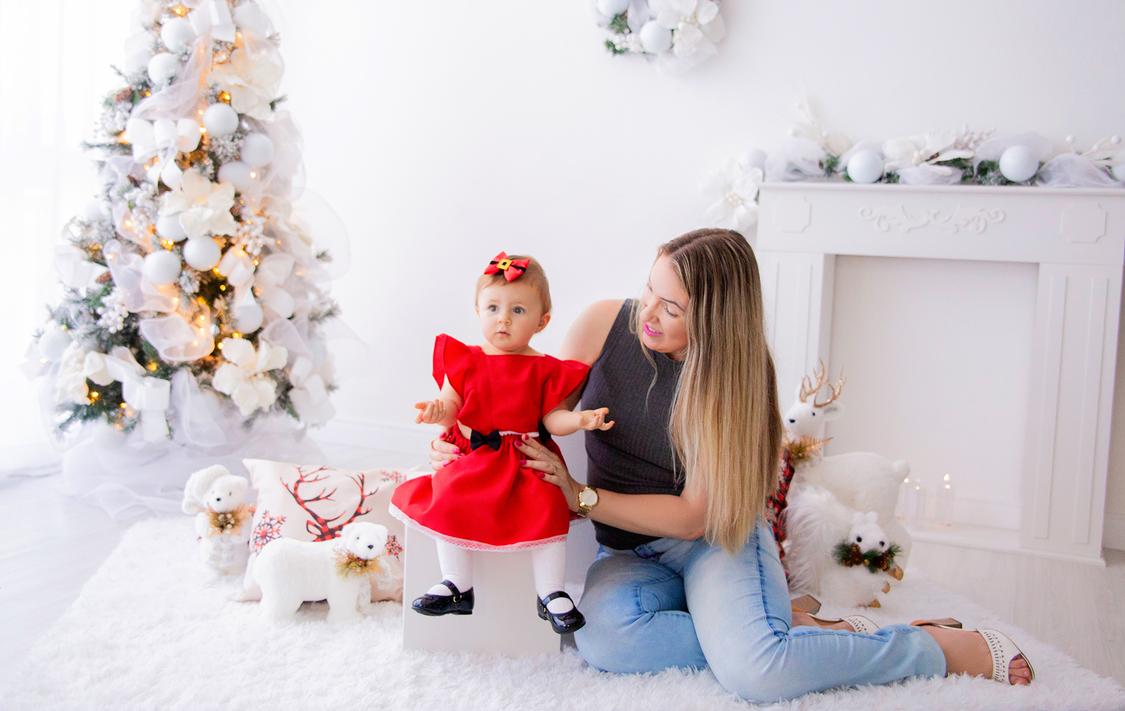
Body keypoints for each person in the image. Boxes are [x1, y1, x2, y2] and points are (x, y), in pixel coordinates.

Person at [429, 229, 1034, 702]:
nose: (650, 314)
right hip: (629, 550)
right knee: (598, 637)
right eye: (650, 291)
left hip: (714, 543)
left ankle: (935, 649)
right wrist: (460, 442)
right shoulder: (600, 325)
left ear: (717, 317)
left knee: (759, 672)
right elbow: (525, 414)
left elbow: (695, 519)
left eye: (674, 307)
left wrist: (580, 497)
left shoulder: (736, 382)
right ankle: (793, 630)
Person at [390, 252, 614, 635]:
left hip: (526, 459)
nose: (503, 319)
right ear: (477, 311)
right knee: (449, 495)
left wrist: (580, 420)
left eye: (518, 310)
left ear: (542, 321)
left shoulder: (545, 368)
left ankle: (551, 593)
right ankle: (456, 583)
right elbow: (452, 407)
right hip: (475, 455)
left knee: (547, 506)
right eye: (492, 307)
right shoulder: (465, 361)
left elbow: (550, 420)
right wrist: (435, 411)